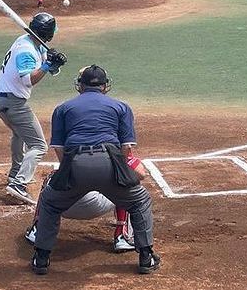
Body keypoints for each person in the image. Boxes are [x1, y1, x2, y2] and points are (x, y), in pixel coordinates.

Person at [30, 65, 160, 275]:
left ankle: (41, 259)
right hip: (109, 163)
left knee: (50, 202)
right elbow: (126, 148)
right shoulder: (121, 107)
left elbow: (60, 149)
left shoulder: (63, 108)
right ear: (105, 86)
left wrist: (68, 173)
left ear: (80, 86)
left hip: (75, 163)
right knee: (139, 200)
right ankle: (145, 255)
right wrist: (123, 173)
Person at [0, 13, 67, 205]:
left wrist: (53, 64)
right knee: (39, 145)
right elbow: (29, 80)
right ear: (48, 34)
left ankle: (15, 174)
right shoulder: (26, 50)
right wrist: (48, 65)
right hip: (13, 103)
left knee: (19, 134)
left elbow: (43, 63)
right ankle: (19, 184)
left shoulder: (29, 40)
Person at [24, 154, 148, 252]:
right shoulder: (113, 141)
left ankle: (38, 230)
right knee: (126, 179)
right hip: (96, 205)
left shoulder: (74, 136)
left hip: (62, 204)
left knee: (53, 178)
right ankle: (122, 236)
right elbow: (141, 173)